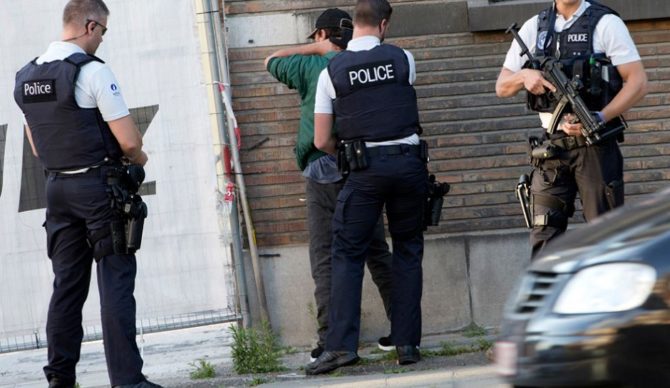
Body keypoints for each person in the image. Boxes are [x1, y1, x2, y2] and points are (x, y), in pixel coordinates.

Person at [13, 1, 159, 387]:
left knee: (67, 286)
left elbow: (37, 148)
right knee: (115, 280)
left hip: (57, 190)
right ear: (90, 26)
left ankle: (60, 378)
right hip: (98, 189)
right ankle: (128, 381)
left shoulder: (26, 76)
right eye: (103, 31)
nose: (101, 40)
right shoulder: (92, 71)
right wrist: (140, 157)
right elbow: (129, 141)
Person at [264, 8, 395, 362]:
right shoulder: (364, 63)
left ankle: (329, 341)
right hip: (362, 168)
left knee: (325, 255)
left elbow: (271, 60)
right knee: (376, 251)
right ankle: (401, 328)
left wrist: (315, 50)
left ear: (321, 36)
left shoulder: (311, 66)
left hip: (323, 168)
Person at [306, 0, 428, 375]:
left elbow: (322, 138)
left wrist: (348, 150)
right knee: (407, 250)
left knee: (346, 254)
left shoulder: (332, 71)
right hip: (409, 165)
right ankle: (407, 345)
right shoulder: (404, 59)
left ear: (353, 25)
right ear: (384, 24)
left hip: (363, 170)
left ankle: (340, 347)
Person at [495, 0, 648, 258]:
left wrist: (601, 116)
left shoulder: (605, 23)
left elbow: (638, 82)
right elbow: (502, 86)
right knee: (544, 240)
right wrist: (524, 77)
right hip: (551, 150)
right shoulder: (535, 27)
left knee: (606, 240)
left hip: (595, 145)